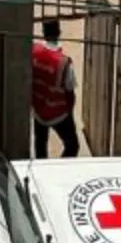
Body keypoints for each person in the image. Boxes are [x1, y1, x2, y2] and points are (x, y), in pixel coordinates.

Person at [31, 17, 79, 158]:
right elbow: (70, 92)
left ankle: (42, 171)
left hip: (38, 110)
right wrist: (69, 112)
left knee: (40, 144)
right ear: (59, 32)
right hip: (59, 113)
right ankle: (60, 169)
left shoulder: (34, 50)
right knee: (72, 145)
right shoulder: (64, 62)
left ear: (43, 32)